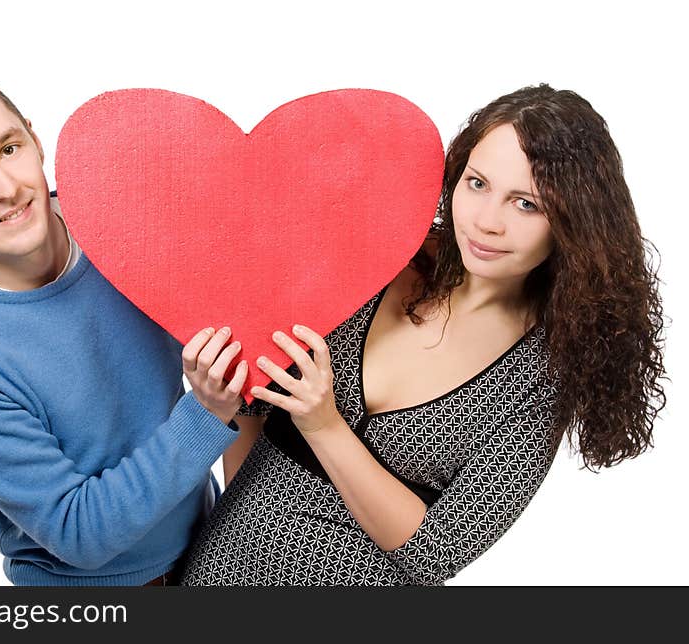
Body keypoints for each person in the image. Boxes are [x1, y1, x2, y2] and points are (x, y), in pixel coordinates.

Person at [178, 84, 667, 585]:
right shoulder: (384, 254)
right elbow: (256, 402)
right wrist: (236, 513)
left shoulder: (543, 376)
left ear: (573, 224)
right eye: (478, 184)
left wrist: (324, 425)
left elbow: (433, 553)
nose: (486, 222)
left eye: (525, 204)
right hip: (216, 571)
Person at [0, 72, 249, 585]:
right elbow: (80, 533)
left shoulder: (125, 223)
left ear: (36, 142)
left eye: (9, 149)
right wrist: (208, 409)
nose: (5, 189)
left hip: (208, 548)